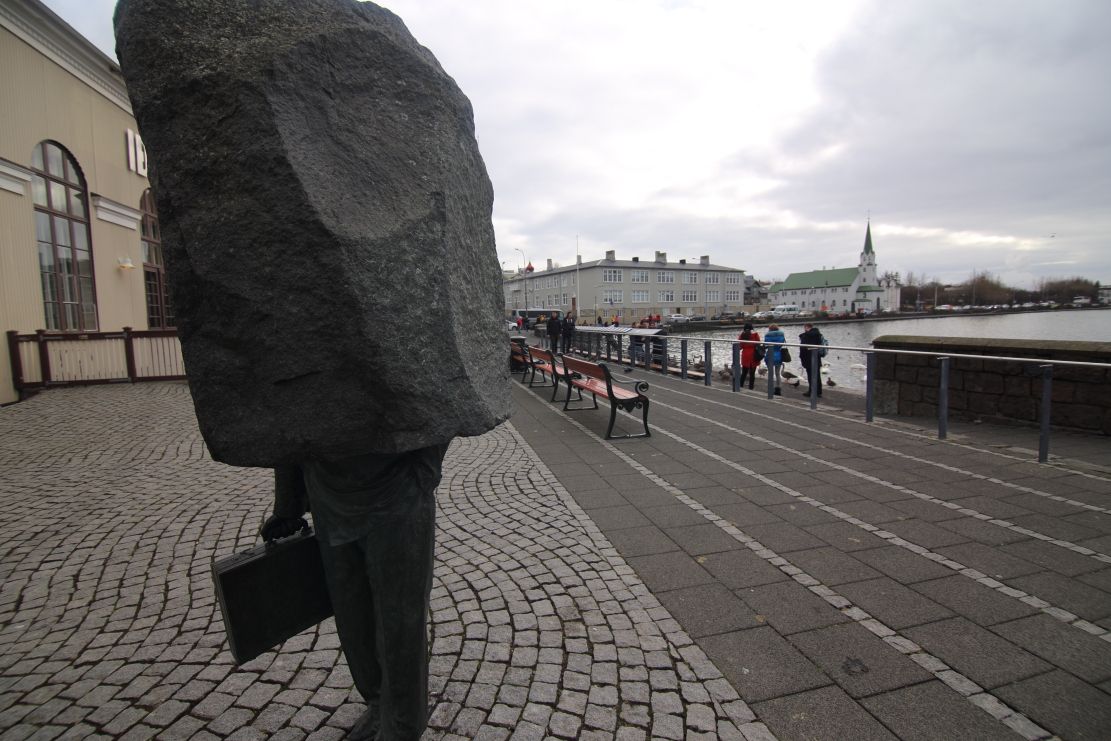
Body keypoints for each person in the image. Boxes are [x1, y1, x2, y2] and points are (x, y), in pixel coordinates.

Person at [263, 446, 448, 740]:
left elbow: (452, 404)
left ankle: (403, 725)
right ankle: (377, 703)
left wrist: (424, 472)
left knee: (400, 620)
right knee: (351, 616)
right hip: (328, 495)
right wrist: (287, 503)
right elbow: (288, 418)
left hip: (398, 492)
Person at [798, 323, 823, 397]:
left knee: (810, 375)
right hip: (816, 357)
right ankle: (818, 391)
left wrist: (802, 358)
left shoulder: (805, 336)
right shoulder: (818, 334)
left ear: (806, 327)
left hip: (808, 358)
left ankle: (812, 391)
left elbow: (803, 349)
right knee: (817, 375)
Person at [763, 323, 787, 396]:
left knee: (771, 373)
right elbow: (782, 344)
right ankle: (778, 389)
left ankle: (770, 388)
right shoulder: (781, 335)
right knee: (777, 373)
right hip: (778, 355)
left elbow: (765, 345)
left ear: (770, 329)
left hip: (770, 354)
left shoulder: (767, 336)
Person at [737, 322, 761, 390]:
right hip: (753, 355)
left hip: (745, 355)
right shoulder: (755, 335)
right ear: (751, 328)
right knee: (752, 373)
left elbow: (740, 346)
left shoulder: (742, 336)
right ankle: (751, 387)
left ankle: (740, 385)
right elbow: (758, 344)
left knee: (744, 372)